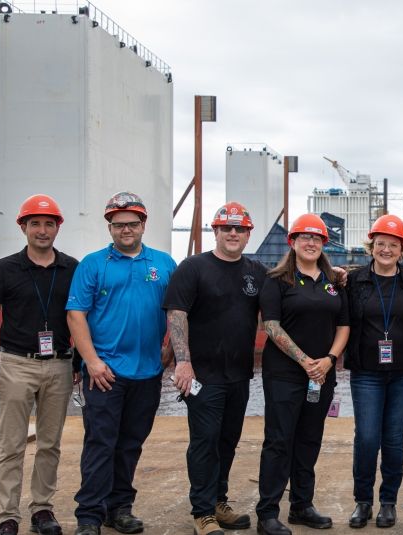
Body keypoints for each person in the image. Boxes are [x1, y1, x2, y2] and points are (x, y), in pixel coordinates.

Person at [66, 192, 177, 535]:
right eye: (118, 225)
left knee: (130, 443)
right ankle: (89, 515)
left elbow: (177, 312)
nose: (125, 230)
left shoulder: (164, 264)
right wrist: (92, 362)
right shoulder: (93, 264)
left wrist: (172, 347)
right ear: (109, 228)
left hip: (148, 372)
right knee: (101, 443)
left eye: (132, 223)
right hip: (105, 373)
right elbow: (75, 315)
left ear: (143, 225)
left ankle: (119, 508)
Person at [0, 194, 79, 535]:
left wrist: (80, 361)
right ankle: (7, 515)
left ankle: (42, 510)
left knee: (50, 443)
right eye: (35, 223)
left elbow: (78, 318)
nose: (42, 230)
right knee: (11, 444)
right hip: (17, 363)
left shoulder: (71, 268)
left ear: (57, 228)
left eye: (49, 223)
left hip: (60, 365)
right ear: (23, 227)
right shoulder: (5, 268)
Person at [164, 202, 266, 535]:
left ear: (249, 234)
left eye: (240, 229)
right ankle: (202, 512)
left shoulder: (256, 271)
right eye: (227, 228)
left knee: (227, 441)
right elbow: (177, 315)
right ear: (216, 231)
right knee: (204, 442)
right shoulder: (193, 268)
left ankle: (219, 502)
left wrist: (335, 276)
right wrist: (183, 362)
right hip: (202, 376)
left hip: (238, 374)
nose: (233, 233)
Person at [256, 213, 350, 535]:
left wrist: (329, 359)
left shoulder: (334, 282)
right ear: (292, 242)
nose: (310, 243)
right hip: (284, 374)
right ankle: (268, 512)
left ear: (324, 244)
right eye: (304, 237)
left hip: (322, 375)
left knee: (310, 439)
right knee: (279, 441)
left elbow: (344, 325)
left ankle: (301, 505)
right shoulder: (277, 280)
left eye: (317, 238)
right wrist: (305, 360)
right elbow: (271, 325)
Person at [344, 214, 403, 529]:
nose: (386, 250)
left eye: (393, 244)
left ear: (402, 249)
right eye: (381, 244)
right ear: (371, 246)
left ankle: (388, 502)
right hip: (366, 372)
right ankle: (362, 502)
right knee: (366, 437)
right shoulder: (354, 280)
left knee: (393, 438)